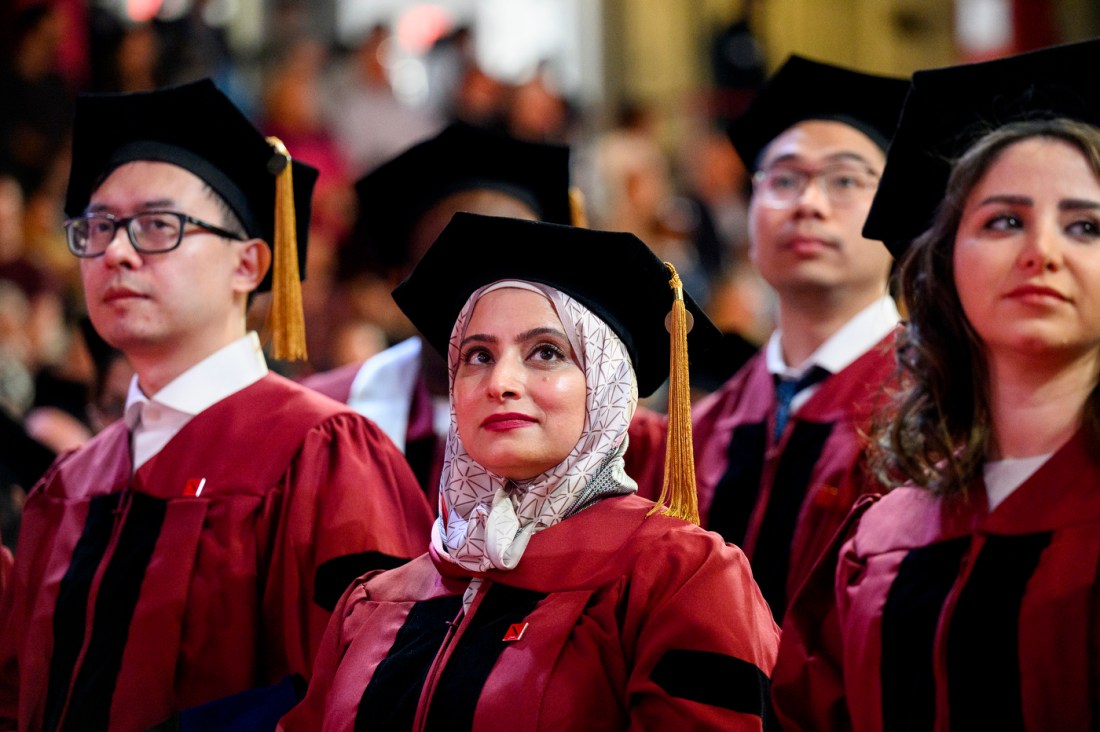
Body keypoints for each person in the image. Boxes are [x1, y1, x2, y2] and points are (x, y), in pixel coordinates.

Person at [0, 79, 434, 731]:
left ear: (249, 264)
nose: (115, 251)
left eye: (155, 225)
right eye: (97, 227)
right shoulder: (68, 487)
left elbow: (370, 702)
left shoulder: (325, 457)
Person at [280, 213, 781, 731]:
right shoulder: (377, 600)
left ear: (606, 386)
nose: (501, 382)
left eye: (546, 352)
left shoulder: (680, 576)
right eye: (477, 355)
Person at [773, 38, 1100, 731]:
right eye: (1004, 220)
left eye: (1086, 226)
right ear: (945, 262)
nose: (1042, 250)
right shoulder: (880, 540)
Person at [644, 57, 909, 621]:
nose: (808, 204)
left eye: (844, 180)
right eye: (783, 179)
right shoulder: (708, 424)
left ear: (898, 212)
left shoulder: (936, 408)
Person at [305, 121, 666, 501]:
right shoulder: (329, 420)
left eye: (520, 274)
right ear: (402, 280)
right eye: (454, 270)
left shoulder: (631, 442)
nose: (489, 298)